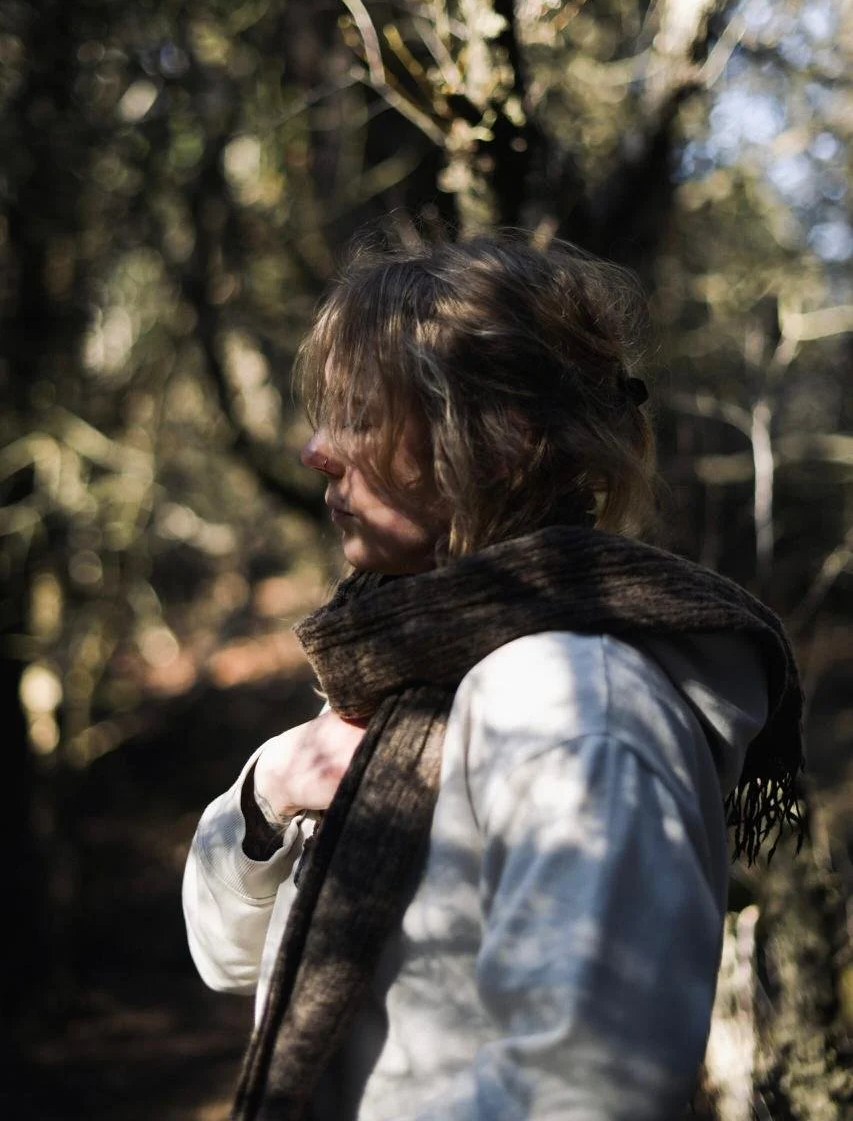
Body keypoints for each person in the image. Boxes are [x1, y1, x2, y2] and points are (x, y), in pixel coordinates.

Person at [182, 233, 803, 1121]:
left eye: (358, 413)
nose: (316, 450)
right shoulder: (408, 668)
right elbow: (228, 959)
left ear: (500, 440)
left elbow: (586, 1092)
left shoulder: (570, 701)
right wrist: (270, 791)